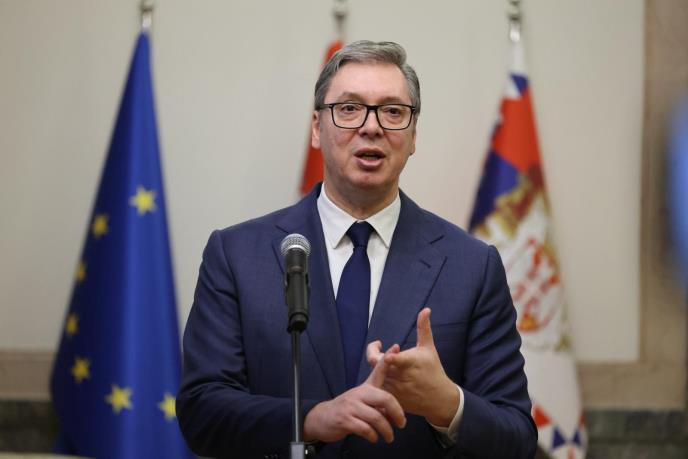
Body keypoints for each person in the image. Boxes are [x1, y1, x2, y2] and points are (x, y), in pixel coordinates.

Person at [177, 40, 537, 459]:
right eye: (349, 108)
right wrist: (313, 419)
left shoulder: (472, 267)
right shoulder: (236, 255)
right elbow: (202, 411)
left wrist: (446, 403)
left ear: (413, 135)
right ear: (316, 128)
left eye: (393, 111)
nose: (371, 127)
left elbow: (517, 439)